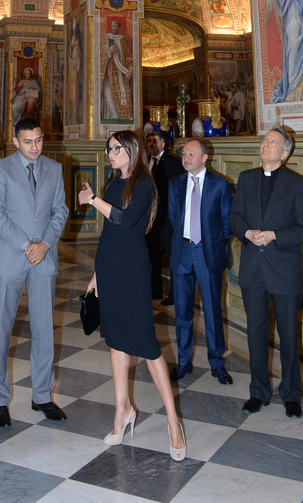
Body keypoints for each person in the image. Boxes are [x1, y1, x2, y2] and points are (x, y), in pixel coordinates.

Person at [78, 131, 187, 461]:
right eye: (108, 149)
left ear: (133, 150)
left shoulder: (143, 184)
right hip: (109, 266)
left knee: (147, 343)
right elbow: (109, 232)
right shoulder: (114, 183)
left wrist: (93, 200)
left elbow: (125, 222)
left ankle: (173, 421)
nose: (111, 153)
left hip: (133, 269)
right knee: (115, 339)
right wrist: (97, 273)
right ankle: (122, 410)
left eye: (116, 148)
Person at [229, 126, 303, 418]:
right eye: (264, 140)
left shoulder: (298, 184)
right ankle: (259, 392)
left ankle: (291, 395)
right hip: (253, 268)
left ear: (285, 152)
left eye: (272, 142)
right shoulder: (246, 178)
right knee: (255, 333)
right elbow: (235, 216)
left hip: (284, 270)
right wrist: (247, 232)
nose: (265, 144)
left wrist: (275, 234)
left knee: (289, 335)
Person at [0, 118, 68, 426]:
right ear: (15, 141)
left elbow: (60, 209)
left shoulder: (54, 169)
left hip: (44, 258)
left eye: (38, 140)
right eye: (28, 142)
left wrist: (45, 244)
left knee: (44, 329)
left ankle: (43, 396)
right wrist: (26, 244)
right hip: (11, 257)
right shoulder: (1, 169)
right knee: (1, 329)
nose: (34, 147)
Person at [168, 139, 233, 385]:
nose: (186, 158)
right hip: (182, 252)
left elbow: (227, 224)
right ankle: (184, 362)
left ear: (205, 157)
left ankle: (217, 363)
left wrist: (211, 243)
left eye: (191, 154)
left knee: (213, 311)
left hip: (208, 254)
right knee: (182, 312)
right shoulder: (175, 184)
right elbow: (175, 218)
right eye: (184, 154)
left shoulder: (220, 185)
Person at [146, 130, 184, 302]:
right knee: (151, 254)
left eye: (154, 141)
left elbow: (177, 191)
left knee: (171, 255)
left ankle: (174, 294)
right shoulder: (146, 161)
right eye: (148, 141)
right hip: (151, 217)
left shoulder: (173, 163)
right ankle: (154, 290)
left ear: (163, 144)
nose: (150, 144)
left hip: (168, 217)